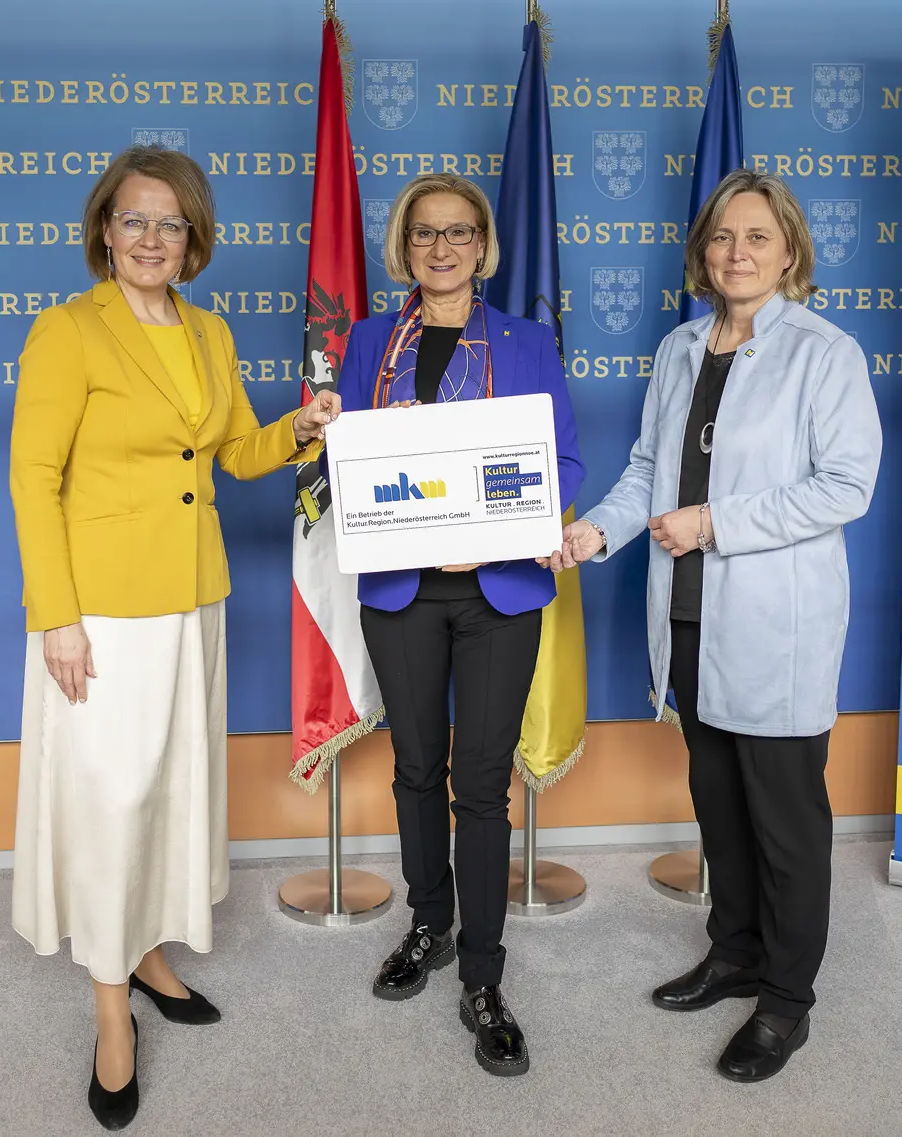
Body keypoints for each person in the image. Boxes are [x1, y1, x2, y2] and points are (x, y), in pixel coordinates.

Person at [8, 145, 339, 1130]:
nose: (152, 238)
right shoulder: (67, 330)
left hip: (194, 597)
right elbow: (34, 479)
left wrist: (299, 429)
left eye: (171, 222)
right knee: (112, 804)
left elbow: (231, 451)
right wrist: (55, 616)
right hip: (102, 611)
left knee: (167, 792)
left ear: (193, 238)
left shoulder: (208, 330)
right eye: (134, 219)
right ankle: (112, 1011)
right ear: (104, 231)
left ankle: (148, 952)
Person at [541, 169, 882, 1083]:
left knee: (785, 820)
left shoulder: (825, 353)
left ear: (789, 249)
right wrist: (594, 531)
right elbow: (647, 470)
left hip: (777, 623)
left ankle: (787, 998)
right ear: (704, 250)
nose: (738, 253)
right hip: (687, 614)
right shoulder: (681, 347)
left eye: (758, 237)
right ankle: (733, 951)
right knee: (720, 803)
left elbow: (846, 486)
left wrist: (714, 523)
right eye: (724, 237)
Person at [333, 173, 584, 1078]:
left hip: (498, 591)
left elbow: (562, 462)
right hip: (401, 588)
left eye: (459, 232)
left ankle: (483, 975)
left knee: (480, 785)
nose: (442, 249)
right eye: (425, 233)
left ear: (484, 245)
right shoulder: (369, 342)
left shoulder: (527, 342)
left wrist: (491, 533)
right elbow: (346, 459)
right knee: (415, 767)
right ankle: (428, 922)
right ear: (403, 246)